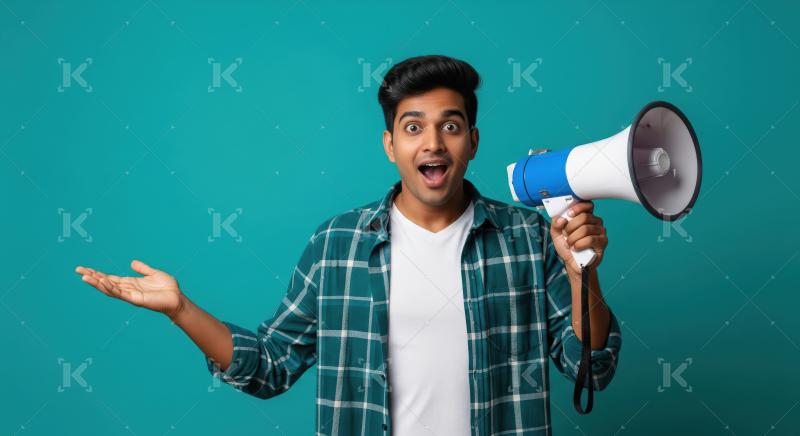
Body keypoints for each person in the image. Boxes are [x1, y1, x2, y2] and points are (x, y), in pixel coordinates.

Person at [75, 54, 621, 436]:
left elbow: (590, 368)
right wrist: (180, 310)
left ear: (473, 141)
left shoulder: (527, 238)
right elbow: (269, 366)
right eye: (413, 127)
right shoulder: (337, 245)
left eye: (450, 126)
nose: (433, 142)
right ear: (390, 145)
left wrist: (581, 274)